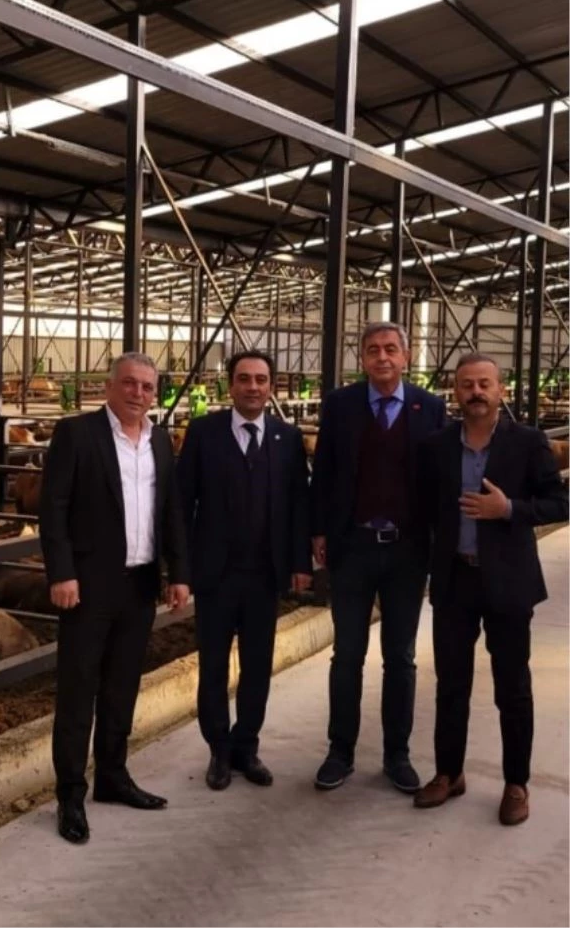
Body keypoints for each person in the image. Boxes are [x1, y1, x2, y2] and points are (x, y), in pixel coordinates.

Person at [40, 352, 190, 845]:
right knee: (78, 689)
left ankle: (112, 775)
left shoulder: (159, 440)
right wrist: (62, 573)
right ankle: (70, 795)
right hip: (88, 584)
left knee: (122, 686)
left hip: (140, 583)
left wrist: (178, 573)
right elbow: (54, 508)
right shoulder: (77, 434)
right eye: (129, 383)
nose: (138, 393)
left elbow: (170, 511)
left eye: (147, 387)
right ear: (109, 387)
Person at [414, 352, 568, 825]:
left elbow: (559, 502)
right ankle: (449, 772)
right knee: (450, 684)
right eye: (467, 385)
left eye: (484, 384)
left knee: (512, 686)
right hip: (455, 579)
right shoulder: (438, 446)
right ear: (455, 391)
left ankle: (516, 783)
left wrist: (509, 510)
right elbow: (424, 507)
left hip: (508, 581)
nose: (476, 392)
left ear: (501, 390)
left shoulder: (528, 442)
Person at [310, 322, 446, 793]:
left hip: (407, 550)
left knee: (400, 657)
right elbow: (324, 471)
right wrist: (320, 529)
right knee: (347, 654)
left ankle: (396, 755)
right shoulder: (340, 405)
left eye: (391, 349)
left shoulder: (429, 407)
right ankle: (340, 751)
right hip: (354, 547)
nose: (382, 357)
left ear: (406, 356)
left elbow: (440, 478)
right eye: (373, 350)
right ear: (363, 358)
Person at [177, 351, 312, 791]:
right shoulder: (203, 432)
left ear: (272, 386)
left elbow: (298, 504)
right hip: (215, 574)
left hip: (264, 576)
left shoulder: (287, 438)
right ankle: (218, 749)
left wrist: (300, 564)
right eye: (244, 378)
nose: (253, 386)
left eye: (261, 379)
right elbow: (182, 502)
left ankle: (246, 746)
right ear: (231, 385)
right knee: (213, 665)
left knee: (257, 666)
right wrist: (181, 569)